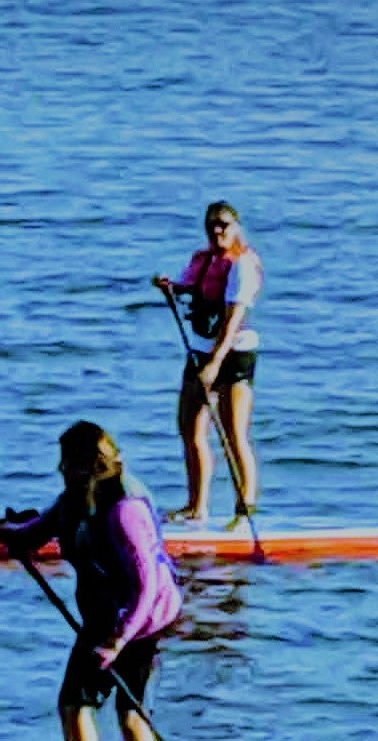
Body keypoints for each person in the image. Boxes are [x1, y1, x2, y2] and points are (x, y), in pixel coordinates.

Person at [0, 421, 183, 741]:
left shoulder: (125, 509)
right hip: (101, 617)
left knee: (131, 716)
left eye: (67, 462)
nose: (60, 469)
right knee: (73, 704)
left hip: (143, 620)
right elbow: (38, 532)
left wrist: (118, 641)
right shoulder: (73, 500)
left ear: (89, 466)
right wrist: (11, 536)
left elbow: (146, 587)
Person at [152, 200, 263, 525]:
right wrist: (169, 288)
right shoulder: (202, 260)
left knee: (232, 432)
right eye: (211, 225)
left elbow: (232, 320)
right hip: (200, 351)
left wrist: (215, 364)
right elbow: (190, 288)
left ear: (236, 227)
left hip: (234, 353)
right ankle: (196, 507)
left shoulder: (242, 265)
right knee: (189, 426)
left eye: (224, 225)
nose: (217, 231)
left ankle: (245, 510)